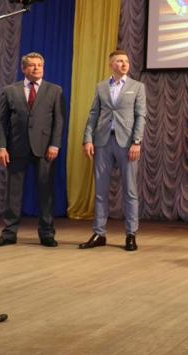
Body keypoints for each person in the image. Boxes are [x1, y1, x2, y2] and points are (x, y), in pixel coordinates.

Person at [0, 52, 65, 247]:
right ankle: (9, 234)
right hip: (16, 148)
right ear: (23, 69)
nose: (36, 68)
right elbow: (1, 122)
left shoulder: (54, 90)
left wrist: (55, 144)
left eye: (39, 65)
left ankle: (47, 234)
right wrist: (1, 147)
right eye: (32, 65)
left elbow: (59, 121)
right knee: (13, 193)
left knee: (46, 193)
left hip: (45, 149)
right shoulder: (9, 91)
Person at [80, 49, 146, 251]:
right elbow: (93, 114)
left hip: (126, 143)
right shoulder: (101, 87)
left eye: (126, 61)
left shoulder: (137, 87)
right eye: (119, 61)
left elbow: (140, 116)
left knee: (130, 191)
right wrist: (87, 139)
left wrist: (137, 142)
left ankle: (131, 234)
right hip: (102, 142)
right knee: (100, 190)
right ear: (111, 65)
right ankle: (99, 233)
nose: (124, 64)